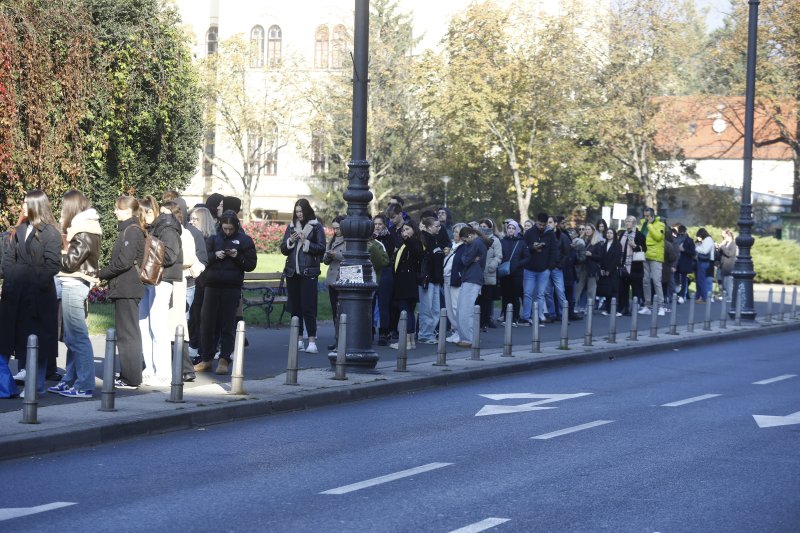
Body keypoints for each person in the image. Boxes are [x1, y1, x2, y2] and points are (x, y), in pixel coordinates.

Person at [0, 190, 61, 397]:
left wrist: (32, 281)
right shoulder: (20, 230)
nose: (22, 206)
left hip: (39, 295)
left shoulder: (50, 233)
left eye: (26, 203)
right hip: (18, 293)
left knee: (39, 341)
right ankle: (25, 379)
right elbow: (9, 258)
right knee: (20, 339)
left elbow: (52, 264)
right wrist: (12, 278)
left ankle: (36, 385)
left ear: (36, 206)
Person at [49, 190, 102, 398]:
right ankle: (70, 379)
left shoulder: (84, 231)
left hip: (74, 283)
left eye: (64, 207)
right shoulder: (84, 229)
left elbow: (71, 262)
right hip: (75, 282)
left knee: (78, 336)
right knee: (73, 337)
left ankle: (84, 384)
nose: (62, 211)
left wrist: (54, 254)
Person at [195, 210, 257, 374]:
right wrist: (215, 255)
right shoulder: (214, 238)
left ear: (235, 226)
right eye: (225, 228)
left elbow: (251, 264)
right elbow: (204, 258)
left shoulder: (244, 240)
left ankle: (224, 358)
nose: (227, 231)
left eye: (230, 229)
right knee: (207, 323)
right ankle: (206, 358)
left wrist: (237, 257)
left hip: (232, 286)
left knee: (228, 324)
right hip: (212, 285)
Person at [98, 196, 145, 389]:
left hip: (127, 287)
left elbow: (124, 262)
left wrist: (101, 273)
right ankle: (130, 373)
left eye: (117, 209)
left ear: (127, 211)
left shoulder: (131, 232)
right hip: (125, 287)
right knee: (127, 333)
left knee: (128, 334)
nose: (114, 212)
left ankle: (131, 378)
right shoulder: (129, 230)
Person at [138, 195, 182, 385]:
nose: (141, 221)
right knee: (144, 323)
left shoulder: (167, 226)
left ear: (149, 212)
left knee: (157, 324)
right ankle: (150, 367)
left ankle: (164, 372)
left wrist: (150, 257)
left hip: (163, 279)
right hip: (151, 278)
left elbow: (171, 255)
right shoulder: (156, 226)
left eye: (142, 216)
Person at [280, 199, 325, 354]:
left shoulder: (316, 226)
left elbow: (321, 248)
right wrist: (291, 240)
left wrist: (306, 242)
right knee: (295, 306)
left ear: (307, 211)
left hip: (309, 272)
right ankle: (298, 339)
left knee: (308, 306)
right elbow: (283, 249)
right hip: (292, 272)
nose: (299, 214)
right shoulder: (291, 226)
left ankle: (311, 340)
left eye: (301, 211)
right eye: (296, 211)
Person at [187, 206, 216, 361]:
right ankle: (196, 345)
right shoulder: (192, 236)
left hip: (206, 282)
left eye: (195, 219)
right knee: (195, 315)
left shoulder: (209, 238)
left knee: (203, 316)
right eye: (190, 218)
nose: (191, 222)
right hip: (197, 282)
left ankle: (202, 348)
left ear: (203, 221)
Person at [389, 221, 421, 350]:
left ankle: (407, 342)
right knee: (408, 312)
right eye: (403, 230)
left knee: (406, 311)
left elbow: (416, 253)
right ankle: (410, 341)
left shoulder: (414, 243)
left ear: (414, 230)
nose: (404, 232)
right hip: (402, 282)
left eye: (407, 229)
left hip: (407, 282)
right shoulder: (403, 244)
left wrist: (408, 240)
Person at [520, 213, 557, 325]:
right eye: (540, 224)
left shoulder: (550, 234)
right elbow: (523, 249)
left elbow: (553, 251)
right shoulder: (529, 232)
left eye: (543, 225)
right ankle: (526, 316)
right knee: (527, 293)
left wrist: (549, 268)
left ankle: (539, 316)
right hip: (529, 268)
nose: (541, 226)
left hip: (544, 269)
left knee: (540, 294)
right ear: (536, 222)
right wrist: (532, 247)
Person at [455, 226, 486, 347]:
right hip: (471, 278)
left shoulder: (475, 243)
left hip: (472, 278)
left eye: (464, 240)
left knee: (465, 310)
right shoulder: (477, 243)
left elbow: (464, 260)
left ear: (470, 236)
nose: (464, 242)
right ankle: (468, 337)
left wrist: (468, 257)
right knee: (463, 309)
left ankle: (469, 339)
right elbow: (468, 259)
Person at [417, 216, 445, 344]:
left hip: (436, 279)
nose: (439, 227)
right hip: (427, 280)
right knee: (426, 308)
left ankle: (430, 332)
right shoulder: (423, 240)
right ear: (428, 227)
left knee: (435, 309)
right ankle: (424, 334)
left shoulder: (435, 240)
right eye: (436, 226)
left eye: (439, 225)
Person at [498, 220, 528, 325]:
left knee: (515, 296)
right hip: (505, 273)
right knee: (506, 296)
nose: (511, 230)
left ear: (517, 230)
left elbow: (527, 257)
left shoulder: (521, 242)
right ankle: (506, 318)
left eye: (513, 228)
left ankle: (515, 318)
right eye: (509, 228)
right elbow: (499, 255)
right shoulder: (502, 241)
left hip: (517, 273)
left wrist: (518, 264)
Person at [638, 207, 666, 316]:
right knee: (645, 281)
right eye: (645, 216)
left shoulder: (660, 224)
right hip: (645, 255)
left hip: (655, 256)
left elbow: (658, 237)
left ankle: (661, 306)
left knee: (656, 281)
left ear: (652, 215)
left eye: (648, 216)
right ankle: (647, 305)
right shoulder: (644, 225)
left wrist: (650, 225)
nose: (646, 218)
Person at [372, 214, 396, 346]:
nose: (377, 227)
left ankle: (384, 332)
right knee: (370, 302)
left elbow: (388, 254)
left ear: (385, 225)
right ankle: (369, 330)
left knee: (383, 304)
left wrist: (379, 239)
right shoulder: (369, 238)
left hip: (385, 271)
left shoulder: (389, 237)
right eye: (375, 224)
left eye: (380, 224)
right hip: (372, 271)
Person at [323, 215, 345, 351]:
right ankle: (337, 338)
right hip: (332, 279)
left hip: (342, 278)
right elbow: (325, 261)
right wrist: (328, 255)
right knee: (334, 311)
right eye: (334, 228)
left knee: (341, 310)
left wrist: (336, 255)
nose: (336, 231)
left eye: (338, 228)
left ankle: (341, 340)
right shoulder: (332, 240)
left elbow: (350, 256)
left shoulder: (348, 240)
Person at [444, 222, 467, 342]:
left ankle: (460, 332)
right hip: (446, 279)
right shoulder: (451, 245)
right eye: (454, 231)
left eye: (457, 232)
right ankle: (454, 330)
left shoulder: (464, 247)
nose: (454, 234)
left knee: (456, 306)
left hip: (456, 280)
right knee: (449, 308)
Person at [617, 216, 646, 315]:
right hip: (623, 265)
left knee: (636, 289)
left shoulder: (639, 235)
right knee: (623, 289)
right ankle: (623, 308)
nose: (628, 223)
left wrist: (635, 246)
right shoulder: (622, 234)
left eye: (630, 221)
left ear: (634, 223)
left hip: (635, 266)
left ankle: (634, 308)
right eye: (626, 221)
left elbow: (644, 249)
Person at [477, 218, 502, 330]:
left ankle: (486, 321)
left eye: (485, 226)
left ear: (490, 228)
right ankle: (477, 321)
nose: (482, 228)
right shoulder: (476, 238)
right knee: (477, 299)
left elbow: (498, 256)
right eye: (481, 226)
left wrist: (492, 266)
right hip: (476, 272)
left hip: (488, 272)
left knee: (486, 300)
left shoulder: (495, 240)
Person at [575, 223, 602, 313]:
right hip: (582, 267)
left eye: (589, 229)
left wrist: (591, 255)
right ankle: (574, 306)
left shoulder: (597, 242)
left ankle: (589, 308)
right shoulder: (581, 240)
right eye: (586, 229)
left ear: (593, 231)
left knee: (591, 290)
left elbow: (600, 257)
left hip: (592, 269)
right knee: (578, 288)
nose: (587, 231)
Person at [597, 227, 622, 315]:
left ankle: (614, 310)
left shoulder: (617, 244)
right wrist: (602, 269)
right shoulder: (604, 244)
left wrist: (609, 270)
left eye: (611, 233)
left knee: (614, 290)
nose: (609, 234)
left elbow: (616, 259)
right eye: (608, 233)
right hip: (604, 271)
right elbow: (602, 257)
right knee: (607, 290)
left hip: (613, 270)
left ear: (614, 234)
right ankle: (608, 309)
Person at [673, 225, 695, 304]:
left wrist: (684, 250)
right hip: (676, 262)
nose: (681, 235)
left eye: (682, 233)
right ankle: (677, 294)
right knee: (676, 280)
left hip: (684, 262)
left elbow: (693, 252)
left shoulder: (689, 240)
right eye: (680, 233)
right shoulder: (675, 240)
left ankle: (683, 295)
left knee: (683, 279)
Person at [694, 227, 715, 303]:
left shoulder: (708, 240)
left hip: (704, 262)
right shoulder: (707, 240)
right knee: (702, 280)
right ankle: (703, 297)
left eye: (699, 236)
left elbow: (705, 251)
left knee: (702, 280)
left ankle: (704, 297)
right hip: (705, 262)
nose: (698, 238)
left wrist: (696, 247)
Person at [717, 229, 737, 303]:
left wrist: (722, 247)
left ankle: (729, 297)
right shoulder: (726, 244)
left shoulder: (733, 244)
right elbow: (720, 254)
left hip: (729, 267)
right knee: (724, 283)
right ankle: (725, 296)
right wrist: (719, 247)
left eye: (725, 236)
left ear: (728, 236)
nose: (724, 237)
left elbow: (729, 254)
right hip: (723, 266)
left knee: (728, 283)